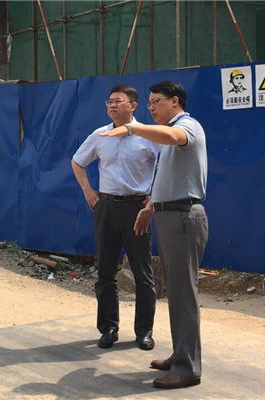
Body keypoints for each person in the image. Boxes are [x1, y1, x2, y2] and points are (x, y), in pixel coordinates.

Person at [100, 81, 208, 390]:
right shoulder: (167, 133)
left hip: (183, 217)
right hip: (169, 214)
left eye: (155, 102)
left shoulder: (186, 126)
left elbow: (175, 137)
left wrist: (132, 128)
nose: (151, 108)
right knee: (176, 292)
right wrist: (150, 208)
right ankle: (180, 355)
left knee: (184, 294)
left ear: (174, 101)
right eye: (148, 103)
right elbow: (167, 178)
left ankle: (187, 369)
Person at [71, 84, 161, 351]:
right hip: (107, 207)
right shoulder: (100, 135)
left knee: (143, 273)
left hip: (137, 209)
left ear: (133, 106)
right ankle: (108, 328)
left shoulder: (148, 136)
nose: (112, 105)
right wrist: (88, 190)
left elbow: (167, 166)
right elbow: (77, 161)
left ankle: (144, 332)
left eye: (118, 101)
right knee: (105, 272)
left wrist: (154, 198)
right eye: (109, 101)